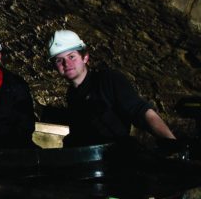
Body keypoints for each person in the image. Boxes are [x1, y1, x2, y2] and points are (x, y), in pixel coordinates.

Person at [47, 29, 176, 147]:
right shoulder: (72, 94)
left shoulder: (108, 80)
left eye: (71, 56)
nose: (66, 64)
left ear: (85, 57)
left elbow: (141, 112)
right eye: (59, 60)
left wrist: (171, 143)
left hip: (118, 158)